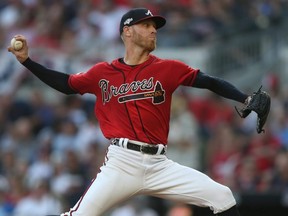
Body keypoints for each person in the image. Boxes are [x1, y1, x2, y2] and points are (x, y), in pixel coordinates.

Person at [8, 7, 251, 216]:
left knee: (223, 196)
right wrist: (28, 62)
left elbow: (209, 81)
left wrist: (245, 98)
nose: (153, 30)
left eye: (154, 26)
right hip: (122, 163)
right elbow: (66, 84)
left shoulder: (168, 69)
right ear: (127, 31)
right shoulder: (103, 72)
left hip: (159, 164)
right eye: (146, 25)